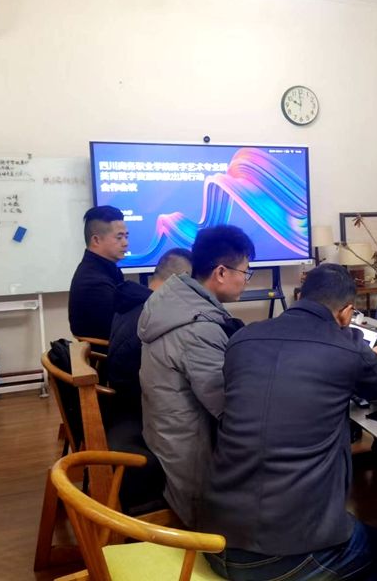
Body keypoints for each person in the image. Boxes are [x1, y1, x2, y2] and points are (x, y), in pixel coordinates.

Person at [200, 263, 377, 581]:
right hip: (285, 556)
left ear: (299, 297)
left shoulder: (242, 339)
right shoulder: (345, 346)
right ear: (347, 313)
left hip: (213, 540)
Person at [138, 225, 254, 527]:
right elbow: (229, 408)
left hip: (165, 434)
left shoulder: (174, 300)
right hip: (189, 460)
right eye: (246, 272)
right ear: (221, 272)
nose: (246, 279)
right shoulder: (197, 328)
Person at [105, 248, 193, 422]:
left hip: (124, 400)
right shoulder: (154, 318)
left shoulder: (131, 302)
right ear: (180, 281)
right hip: (141, 411)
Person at [68, 205, 128, 341]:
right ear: (96, 240)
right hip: (106, 351)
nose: (125, 243)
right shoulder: (93, 282)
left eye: (126, 236)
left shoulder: (104, 269)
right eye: (119, 237)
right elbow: (117, 329)